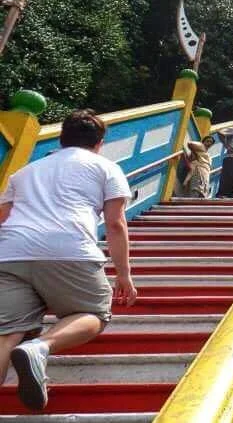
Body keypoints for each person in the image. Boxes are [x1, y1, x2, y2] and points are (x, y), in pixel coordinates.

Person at [0, 109, 136, 411]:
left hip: (11, 253)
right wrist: (123, 274)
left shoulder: (24, 172)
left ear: (61, 139)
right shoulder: (106, 168)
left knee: (7, 332)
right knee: (94, 312)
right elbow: (115, 224)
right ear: (99, 142)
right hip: (69, 250)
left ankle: (27, 346)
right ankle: (40, 347)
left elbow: (2, 218)